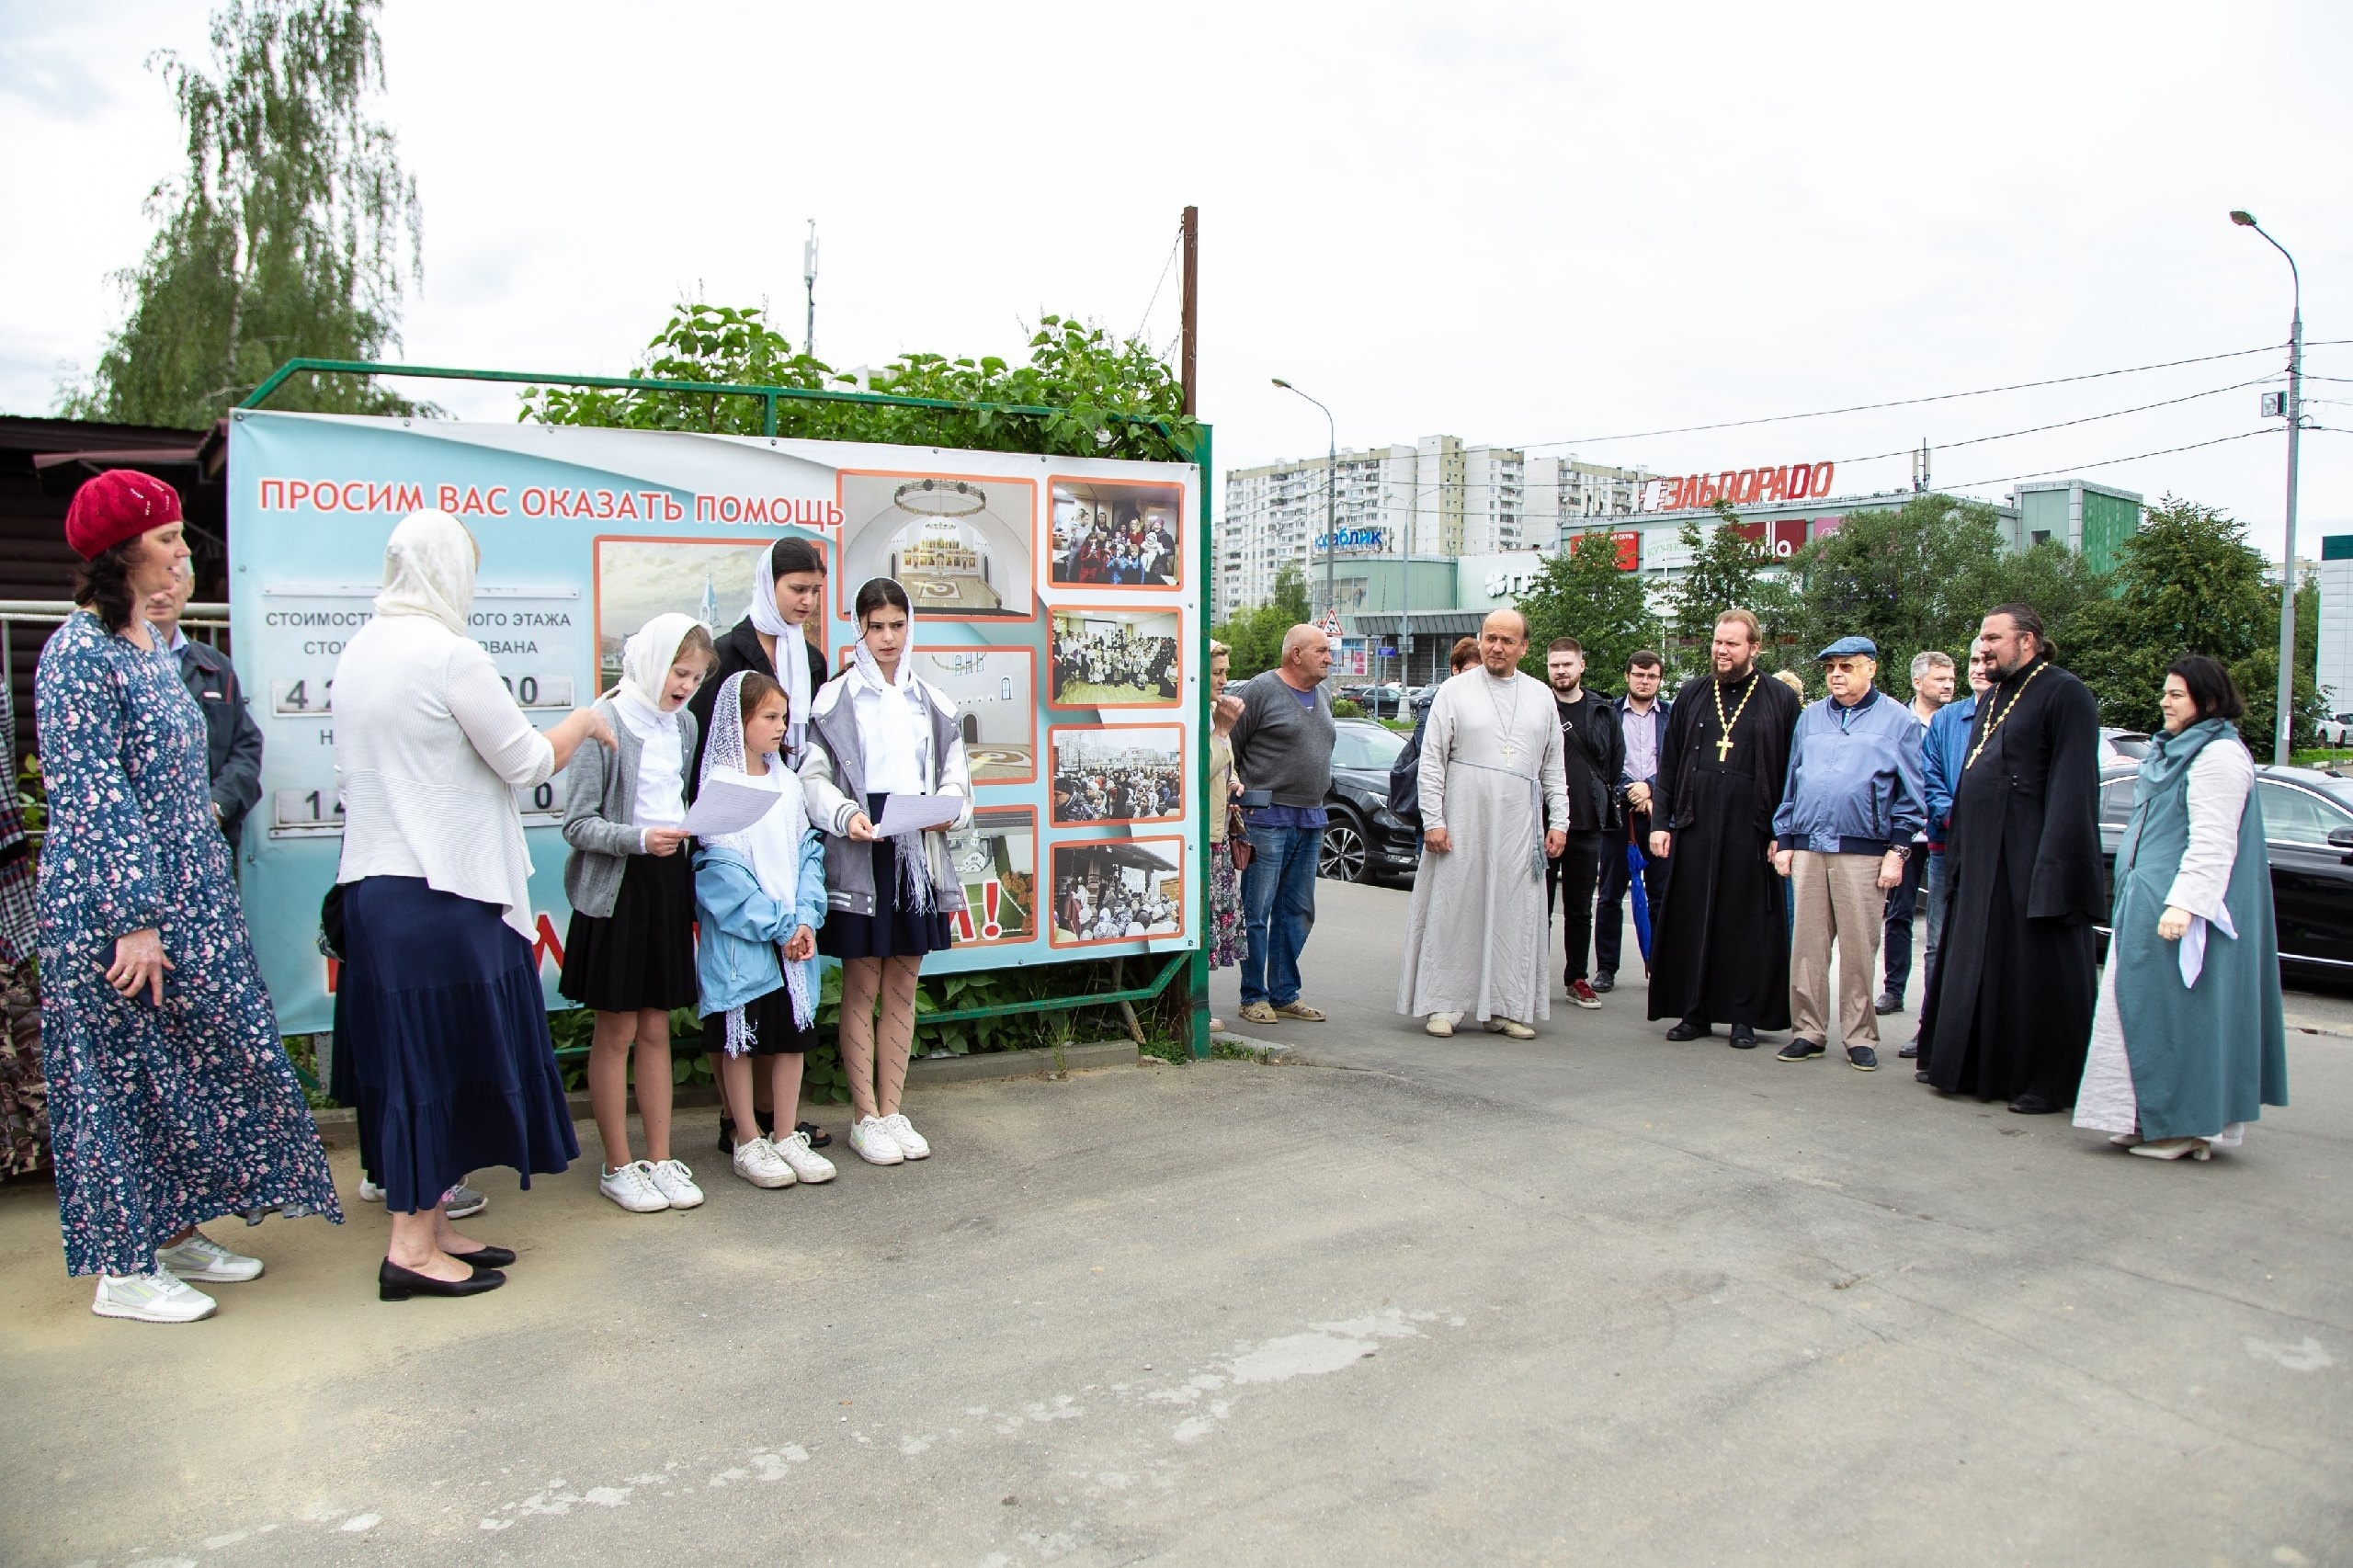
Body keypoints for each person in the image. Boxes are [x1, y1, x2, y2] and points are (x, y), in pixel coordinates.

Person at [34, 471, 342, 1324]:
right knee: (122, 1078)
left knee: (200, 1061)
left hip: (187, 897)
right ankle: (122, 1269)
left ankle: (170, 1231)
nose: (181, 549)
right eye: (165, 535)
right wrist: (134, 920)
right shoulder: (77, 654)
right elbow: (95, 793)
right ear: (121, 550)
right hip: (116, 911)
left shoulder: (144, 644)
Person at [332, 508, 612, 1300]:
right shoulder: (449, 654)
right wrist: (585, 721)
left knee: (415, 1068)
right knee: (439, 1068)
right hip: (442, 894)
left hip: (378, 894)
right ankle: (410, 1249)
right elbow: (524, 760)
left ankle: (434, 1225)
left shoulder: (361, 650)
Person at [2074, 655, 2289, 1159]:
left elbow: (2214, 842)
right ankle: (2142, 1118)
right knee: (2137, 1012)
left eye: (2176, 695)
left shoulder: (2218, 756)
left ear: (2208, 701)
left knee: (2176, 1019)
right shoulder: (2176, 750)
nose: (2164, 702)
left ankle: (2182, 1126)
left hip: (2180, 913)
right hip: (2147, 902)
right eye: (2165, 692)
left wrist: (2186, 906)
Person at [801, 578, 973, 1166]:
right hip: (861, 849)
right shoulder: (833, 701)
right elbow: (812, 780)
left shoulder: (935, 702)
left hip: (915, 849)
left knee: (904, 982)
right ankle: (863, 1116)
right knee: (862, 983)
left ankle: (893, 1108)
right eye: (876, 627)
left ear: (910, 625)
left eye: (897, 625)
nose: (888, 638)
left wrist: (949, 810)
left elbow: (956, 779)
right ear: (859, 628)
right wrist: (844, 813)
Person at [559, 614, 717, 1214]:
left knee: (657, 1026)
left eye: (696, 678)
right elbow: (577, 825)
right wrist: (639, 838)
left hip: (667, 882)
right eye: (680, 672)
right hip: (617, 887)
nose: (685, 687)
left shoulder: (685, 727)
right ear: (653, 661)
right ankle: (617, 1164)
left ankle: (659, 1157)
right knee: (617, 1028)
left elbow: (680, 799)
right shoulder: (604, 722)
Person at [1917, 604, 2104, 1114]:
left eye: (1993, 638)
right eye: (1981, 637)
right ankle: (1976, 1067)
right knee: (1980, 963)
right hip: (1981, 857)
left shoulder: (2065, 693)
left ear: (2028, 642)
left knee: (2031, 973)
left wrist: (2055, 871)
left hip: (2030, 859)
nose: (1982, 648)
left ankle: (2044, 1081)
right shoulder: (1997, 694)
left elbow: (2072, 791)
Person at [688, 536, 833, 1154]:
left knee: (784, 1004)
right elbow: (704, 745)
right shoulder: (727, 654)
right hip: (736, 828)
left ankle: (780, 1125)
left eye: (815, 591)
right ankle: (740, 1126)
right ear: (769, 585)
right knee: (739, 997)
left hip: (789, 813)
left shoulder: (814, 660)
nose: (806, 601)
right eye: (796, 589)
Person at [1396, 609, 1569, 1040]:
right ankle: (1445, 1002)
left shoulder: (1541, 696)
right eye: (1490, 638)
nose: (1497, 647)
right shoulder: (1454, 690)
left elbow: (1554, 767)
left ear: (1523, 647)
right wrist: (1433, 818)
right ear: (1480, 639)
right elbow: (1431, 761)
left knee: (1514, 913)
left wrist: (1561, 820)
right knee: (1454, 909)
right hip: (1462, 816)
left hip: (1518, 823)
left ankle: (1506, 1006)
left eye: (1507, 641)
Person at [697, 671, 835, 1188]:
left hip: (791, 936)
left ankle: (783, 1135)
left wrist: (804, 917)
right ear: (740, 721)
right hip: (745, 943)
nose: (782, 727)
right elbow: (721, 876)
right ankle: (747, 1140)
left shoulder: (785, 780)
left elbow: (808, 854)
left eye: (783, 716)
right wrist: (779, 925)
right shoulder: (721, 788)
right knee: (742, 1039)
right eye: (770, 718)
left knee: (789, 1040)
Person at [1647, 610, 1802, 1048]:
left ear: (1754, 647)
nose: (1721, 651)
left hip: (1751, 830)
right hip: (1696, 825)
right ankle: (1694, 1012)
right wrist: (1662, 822)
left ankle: (1742, 1017)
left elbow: (1792, 773)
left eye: (1732, 644)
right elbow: (1670, 763)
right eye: (1718, 642)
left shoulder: (1779, 699)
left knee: (1745, 924)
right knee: (1692, 918)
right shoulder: (1694, 693)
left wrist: (1783, 833)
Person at [1769, 636, 1926, 1072]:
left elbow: (1912, 794)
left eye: (1847, 666)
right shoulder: (1811, 718)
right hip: (1809, 846)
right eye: (1830, 668)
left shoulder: (1898, 721)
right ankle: (1808, 1031)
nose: (1836, 675)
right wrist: (1785, 839)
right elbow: (1793, 782)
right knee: (1807, 948)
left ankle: (1859, 1036)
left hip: (1863, 851)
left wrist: (1897, 850)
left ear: (1870, 669)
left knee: (1859, 948)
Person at [1227, 624, 1337, 1026]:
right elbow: (1229, 744)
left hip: (1311, 817)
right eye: (1322, 651)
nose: (1329, 657)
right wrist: (1239, 797)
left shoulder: (1323, 694)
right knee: (1257, 910)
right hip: (1266, 818)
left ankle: (1285, 993)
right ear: (1296, 654)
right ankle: (1253, 995)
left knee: (1298, 910)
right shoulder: (1259, 690)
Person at [143, 561, 264, 855]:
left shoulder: (215, 666)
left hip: (209, 845)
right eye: (152, 585)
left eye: (171, 582)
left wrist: (216, 806)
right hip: (141, 847)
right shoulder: (114, 664)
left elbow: (245, 746)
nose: (160, 596)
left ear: (190, 586)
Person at [1905, 648, 1989, 1060]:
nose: (1976, 669)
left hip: (1996, 850)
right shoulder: (1946, 720)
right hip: (1946, 846)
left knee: (1989, 942)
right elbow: (1930, 777)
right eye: (1972, 661)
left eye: (1983, 661)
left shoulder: (2019, 715)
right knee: (1938, 942)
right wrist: (1955, 817)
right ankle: (1930, 1032)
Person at [1543, 637, 1623, 1010]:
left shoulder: (1602, 710)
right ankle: (1530, 977)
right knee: (1535, 906)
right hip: (1540, 824)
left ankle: (1577, 977)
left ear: (1581, 666)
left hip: (1586, 824)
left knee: (1578, 908)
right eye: (1555, 665)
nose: (1561, 671)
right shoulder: (1537, 705)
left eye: (1567, 664)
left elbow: (1614, 764)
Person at [1875, 652, 1953, 1016]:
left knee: (1940, 923)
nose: (1949, 685)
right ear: (1918, 683)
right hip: (1905, 836)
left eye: (1951, 679)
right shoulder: (1898, 722)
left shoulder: (1957, 722)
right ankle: (1893, 989)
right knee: (1900, 914)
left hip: (1943, 836)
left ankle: (1937, 1002)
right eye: (1940, 679)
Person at [1595, 650, 1670, 993]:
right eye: (1639, 675)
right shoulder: (1610, 713)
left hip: (1658, 815)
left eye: (1651, 676)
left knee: (1660, 894)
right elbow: (1603, 761)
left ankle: (1659, 964)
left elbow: (1678, 761)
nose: (1645, 681)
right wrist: (1630, 790)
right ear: (1627, 676)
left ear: (1659, 679)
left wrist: (1651, 789)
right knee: (1610, 894)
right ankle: (1606, 967)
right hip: (1618, 815)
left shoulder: (1672, 714)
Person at [1206, 641, 1246, 1031]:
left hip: (1218, 833)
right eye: (1217, 672)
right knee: (1201, 922)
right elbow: (1198, 769)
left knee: (1213, 922)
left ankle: (1198, 1002)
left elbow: (1223, 766)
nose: (1224, 678)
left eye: (1225, 671)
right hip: (1201, 838)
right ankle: (1194, 1004)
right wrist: (1221, 731)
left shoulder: (1214, 715)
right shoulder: (1200, 718)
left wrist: (1234, 783)